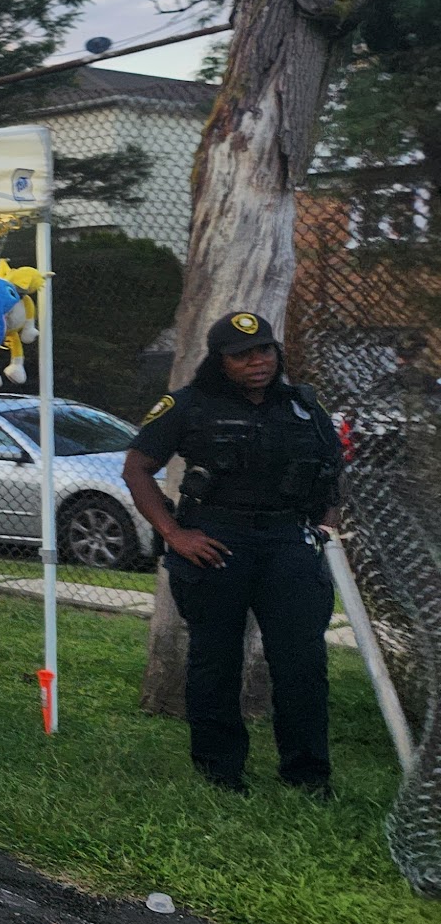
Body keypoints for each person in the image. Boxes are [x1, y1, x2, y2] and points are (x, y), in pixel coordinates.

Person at [122, 311, 345, 796]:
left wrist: (326, 526)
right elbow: (137, 468)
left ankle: (308, 777)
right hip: (217, 540)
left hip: (289, 541)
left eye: (264, 350)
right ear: (220, 361)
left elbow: (332, 469)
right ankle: (220, 773)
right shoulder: (188, 405)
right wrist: (175, 534)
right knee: (215, 659)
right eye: (242, 355)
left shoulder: (303, 405)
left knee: (302, 663)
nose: (257, 362)